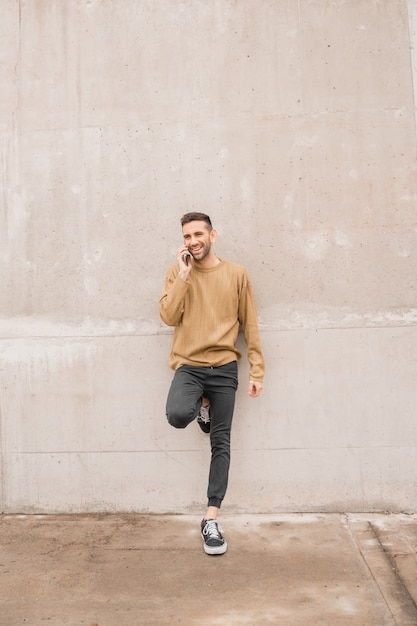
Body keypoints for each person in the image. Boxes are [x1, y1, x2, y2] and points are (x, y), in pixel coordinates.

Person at [159, 212, 265, 555]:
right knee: (177, 414)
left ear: (213, 235)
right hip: (189, 366)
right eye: (187, 236)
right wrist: (185, 276)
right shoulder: (178, 272)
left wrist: (257, 370)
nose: (193, 241)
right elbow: (168, 316)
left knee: (221, 442)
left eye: (198, 234)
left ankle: (211, 518)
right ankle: (201, 404)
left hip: (224, 368)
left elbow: (250, 325)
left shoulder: (236, 274)